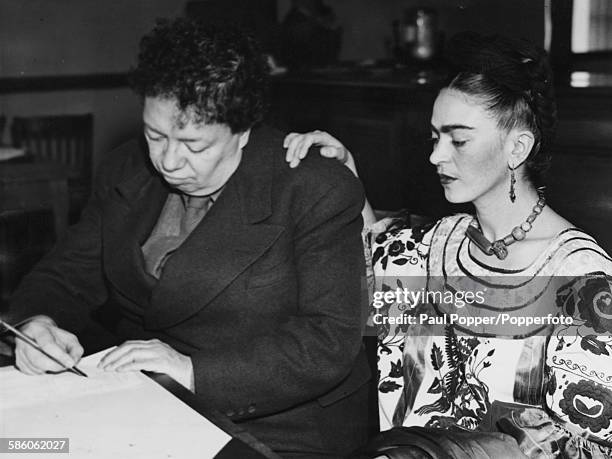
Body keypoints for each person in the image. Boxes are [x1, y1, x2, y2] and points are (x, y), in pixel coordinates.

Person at [6, 18, 371, 457]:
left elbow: (327, 341)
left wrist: (192, 371)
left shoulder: (311, 187)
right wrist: (38, 323)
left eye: (194, 144)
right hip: (149, 402)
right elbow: (66, 275)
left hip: (283, 427)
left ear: (243, 131)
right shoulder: (126, 169)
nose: (168, 161)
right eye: (155, 135)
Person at [284, 32, 612, 458]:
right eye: (434, 137)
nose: (436, 156)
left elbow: (593, 447)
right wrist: (346, 175)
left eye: (457, 139)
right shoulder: (439, 241)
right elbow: (377, 259)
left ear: (518, 148)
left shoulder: (583, 279)